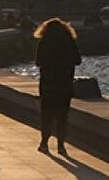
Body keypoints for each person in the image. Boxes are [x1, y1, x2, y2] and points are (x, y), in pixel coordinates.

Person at [33, 18, 82, 155]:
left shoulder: (45, 41)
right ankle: (61, 145)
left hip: (48, 84)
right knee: (62, 116)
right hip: (64, 84)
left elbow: (38, 61)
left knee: (46, 115)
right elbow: (78, 60)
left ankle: (44, 143)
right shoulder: (69, 41)